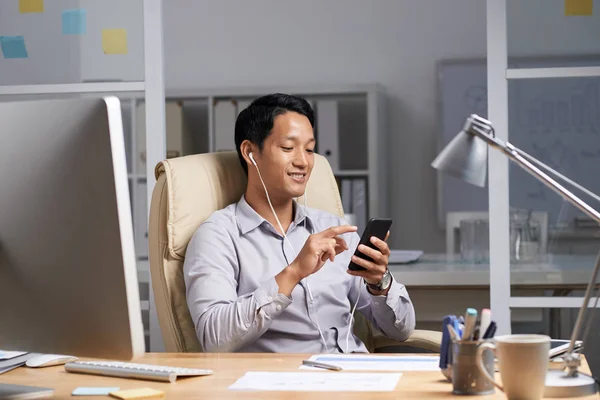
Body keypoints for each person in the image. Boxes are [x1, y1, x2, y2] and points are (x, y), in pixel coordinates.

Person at [183, 93, 415, 353]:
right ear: (250, 152)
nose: (303, 162)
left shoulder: (335, 229)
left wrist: (379, 283)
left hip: (355, 378)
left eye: (309, 149)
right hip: (284, 386)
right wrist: (292, 273)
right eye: (287, 148)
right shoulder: (218, 235)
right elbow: (214, 339)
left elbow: (401, 330)